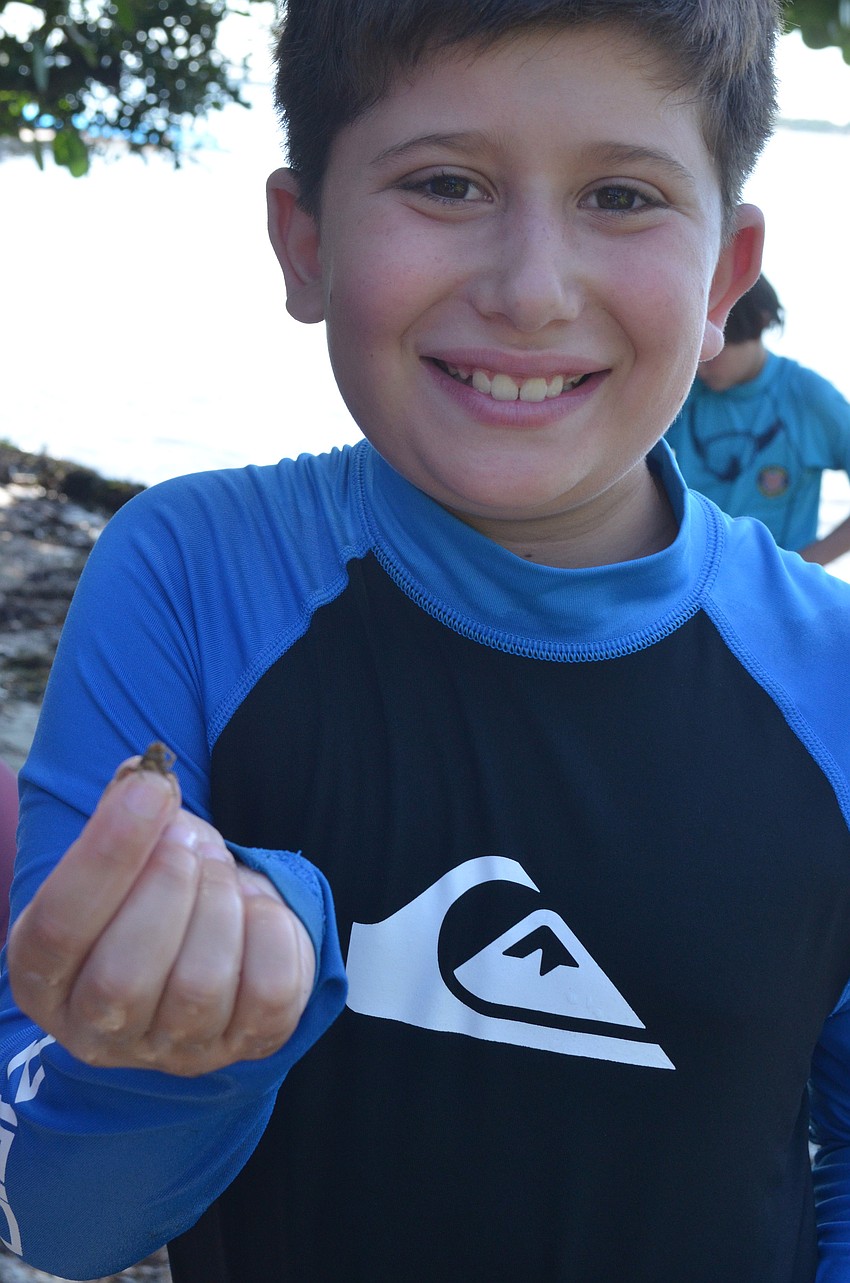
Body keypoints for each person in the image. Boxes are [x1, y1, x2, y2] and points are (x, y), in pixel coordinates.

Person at [4, 1, 850, 1280]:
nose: (529, 290)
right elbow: (58, 1220)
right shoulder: (191, 574)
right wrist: (190, 1037)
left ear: (726, 278)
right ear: (303, 242)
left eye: (621, 197)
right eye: (444, 183)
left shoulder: (831, 676)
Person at [666, 274, 850, 564]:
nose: (700, 366)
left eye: (714, 353)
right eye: (693, 351)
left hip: (776, 595)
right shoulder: (683, 391)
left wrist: (799, 567)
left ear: (760, 323)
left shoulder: (809, 398)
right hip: (692, 579)